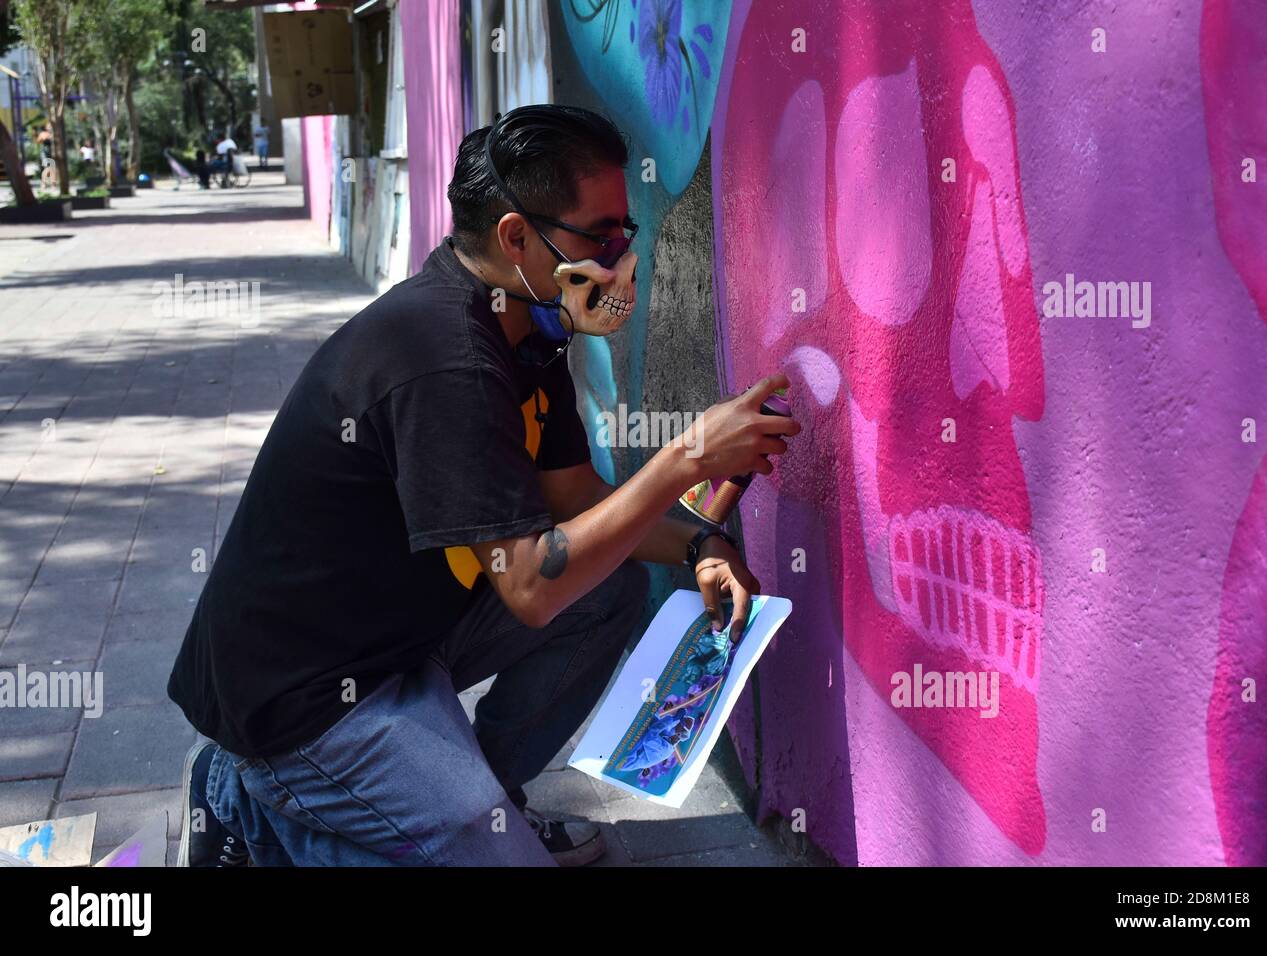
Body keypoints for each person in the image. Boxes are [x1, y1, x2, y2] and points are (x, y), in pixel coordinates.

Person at [167, 103, 799, 868]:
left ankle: (488, 799)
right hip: (303, 704)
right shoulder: (445, 361)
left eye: (625, 234)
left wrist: (702, 538)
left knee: (607, 590)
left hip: (399, 646)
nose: (621, 257)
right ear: (516, 237)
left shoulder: (524, 330)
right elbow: (532, 587)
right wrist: (687, 459)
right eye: (601, 236)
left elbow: (572, 501)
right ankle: (246, 806)